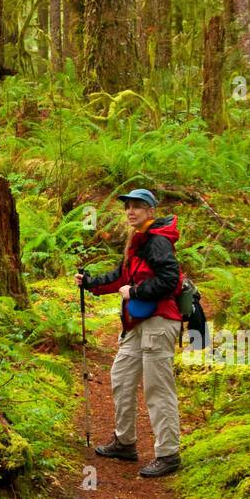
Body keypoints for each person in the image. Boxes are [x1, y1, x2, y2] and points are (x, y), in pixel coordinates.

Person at [75, 188, 182, 478]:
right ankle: (125, 442)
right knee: (121, 376)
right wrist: (90, 283)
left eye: (137, 206)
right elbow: (121, 276)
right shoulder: (137, 240)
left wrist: (135, 291)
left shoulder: (158, 241)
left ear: (151, 211)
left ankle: (168, 453)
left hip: (159, 321)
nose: (130, 211)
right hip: (137, 322)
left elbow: (170, 281)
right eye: (128, 207)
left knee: (157, 389)